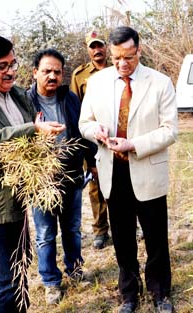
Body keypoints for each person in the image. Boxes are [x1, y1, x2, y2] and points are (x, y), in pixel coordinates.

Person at [0, 36, 65, 313]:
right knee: (4, 279)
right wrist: (31, 130)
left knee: (19, 271)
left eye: (13, 63)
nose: (10, 71)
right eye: (2, 66)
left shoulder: (17, 95)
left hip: (16, 201)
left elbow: (30, 140)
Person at [79, 26, 177, 313]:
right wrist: (94, 131)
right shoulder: (97, 83)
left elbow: (170, 131)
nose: (122, 64)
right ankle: (129, 294)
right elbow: (84, 123)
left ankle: (160, 293)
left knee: (156, 238)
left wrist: (133, 144)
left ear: (139, 51)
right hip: (113, 173)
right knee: (122, 240)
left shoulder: (160, 82)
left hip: (147, 169)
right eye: (116, 58)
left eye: (129, 57)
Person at [28, 48, 94, 305]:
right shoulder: (25, 102)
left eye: (57, 71)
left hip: (70, 176)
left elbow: (82, 132)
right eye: (46, 71)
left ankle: (75, 271)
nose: (52, 76)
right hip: (41, 181)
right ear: (35, 73)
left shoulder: (71, 99)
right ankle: (50, 282)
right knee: (45, 233)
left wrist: (92, 161)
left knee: (72, 229)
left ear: (63, 73)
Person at [70, 30, 110, 249]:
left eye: (100, 45)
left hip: (116, 134)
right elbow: (78, 112)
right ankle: (100, 230)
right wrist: (85, 147)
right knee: (95, 186)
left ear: (106, 47)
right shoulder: (80, 75)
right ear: (88, 50)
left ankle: (129, 225)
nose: (97, 50)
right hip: (92, 137)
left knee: (124, 184)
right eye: (92, 47)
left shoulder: (117, 68)